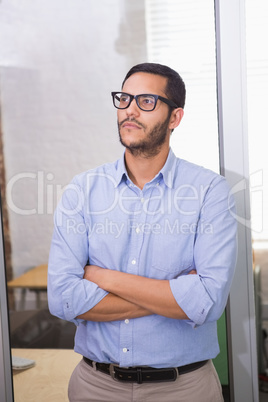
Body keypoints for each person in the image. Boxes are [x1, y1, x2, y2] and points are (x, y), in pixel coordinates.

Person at [48, 62, 237, 402]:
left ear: (175, 118)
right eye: (124, 99)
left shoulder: (210, 191)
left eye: (147, 101)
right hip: (95, 387)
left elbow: (208, 302)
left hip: (184, 389)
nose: (130, 110)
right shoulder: (82, 190)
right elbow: (63, 298)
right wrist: (176, 295)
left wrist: (101, 276)